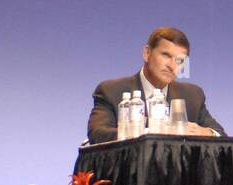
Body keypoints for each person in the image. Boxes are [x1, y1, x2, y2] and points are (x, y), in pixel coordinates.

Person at [87, 27, 225, 144]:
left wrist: (204, 132)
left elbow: (220, 134)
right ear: (147, 53)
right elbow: (97, 134)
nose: (172, 66)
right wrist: (152, 132)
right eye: (166, 55)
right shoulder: (111, 91)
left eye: (180, 60)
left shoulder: (192, 95)